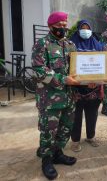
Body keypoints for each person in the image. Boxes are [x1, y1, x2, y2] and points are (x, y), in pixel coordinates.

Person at [32, 11, 79, 180]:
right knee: (48, 131)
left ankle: (58, 153)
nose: (63, 28)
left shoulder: (70, 44)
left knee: (66, 128)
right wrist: (62, 79)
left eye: (65, 25)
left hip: (69, 97)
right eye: (59, 25)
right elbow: (39, 70)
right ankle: (46, 160)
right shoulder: (42, 45)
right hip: (49, 99)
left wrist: (91, 78)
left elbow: (78, 69)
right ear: (51, 26)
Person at [69, 20, 105, 152]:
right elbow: (68, 65)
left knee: (92, 114)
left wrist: (97, 79)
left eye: (87, 28)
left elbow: (104, 65)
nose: (85, 30)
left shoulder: (98, 45)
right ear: (78, 30)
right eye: (82, 28)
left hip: (93, 89)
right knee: (76, 116)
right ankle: (75, 141)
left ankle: (90, 137)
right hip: (76, 88)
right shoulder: (71, 45)